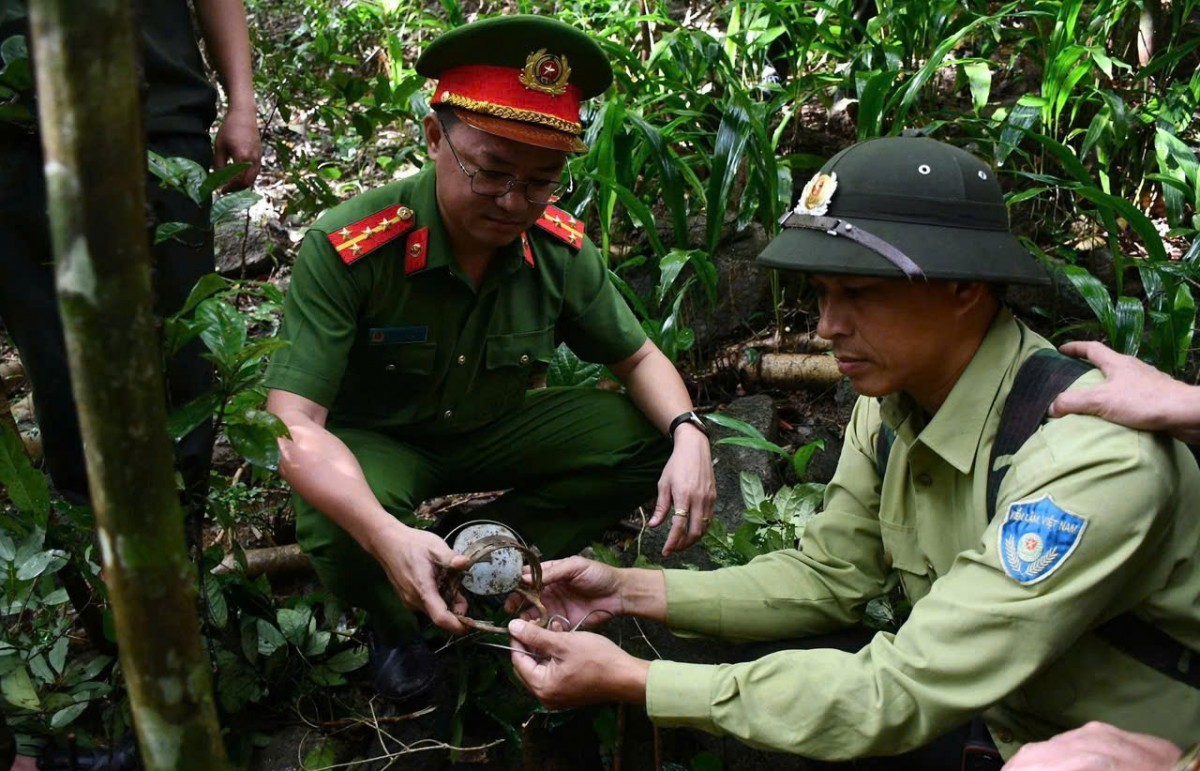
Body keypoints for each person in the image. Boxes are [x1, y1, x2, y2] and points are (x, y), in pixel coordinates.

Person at [504, 136, 1200, 768]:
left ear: (964, 289)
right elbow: (830, 574)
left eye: (859, 292)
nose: (829, 326)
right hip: (1001, 721)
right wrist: (626, 589)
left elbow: (901, 686)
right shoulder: (892, 404)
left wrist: (636, 678)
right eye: (822, 294)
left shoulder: (1087, 457)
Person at [264, 14, 716, 702]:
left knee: (648, 440)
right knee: (336, 516)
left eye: (542, 181)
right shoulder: (351, 246)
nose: (514, 202)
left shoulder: (557, 250)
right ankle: (398, 622)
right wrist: (384, 532)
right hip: (380, 445)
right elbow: (292, 424)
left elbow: (639, 356)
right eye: (492, 172)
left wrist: (691, 434)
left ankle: (479, 559)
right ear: (434, 137)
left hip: (492, 428)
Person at [0, 0, 261, 514]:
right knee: (58, 363)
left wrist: (242, 101)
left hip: (158, 119)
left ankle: (183, 549)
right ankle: (92, 554)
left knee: (180, 352)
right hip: (15, 138)